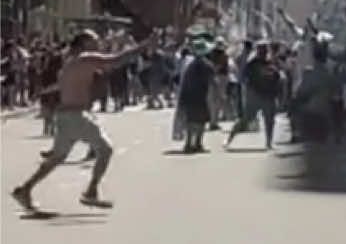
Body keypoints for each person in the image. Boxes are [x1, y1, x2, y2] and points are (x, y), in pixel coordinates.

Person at [11, 29, 147, 211]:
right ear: (85, 44)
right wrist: (143, 46)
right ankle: (91, 191)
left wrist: (44, 91)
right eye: (94, 40)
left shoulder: (70, 63)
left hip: (66, 116)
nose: (98, 42)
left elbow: (61, 85)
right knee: (105, 150)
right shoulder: (86, 58)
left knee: (57, 158)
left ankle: (25, 189)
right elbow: (114, 61)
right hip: (76, 115)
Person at [226, 42, 283, 150]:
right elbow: (244, 78)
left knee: (270, 120)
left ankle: (269, 143)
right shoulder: (252, 64)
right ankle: (229, 139)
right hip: (256, 95)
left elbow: (278, 78)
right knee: (246, 119)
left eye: (265, 49)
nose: (263, 52)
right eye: (261, 50)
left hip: (269, 95)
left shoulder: (272, 62)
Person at [177, 41, 215, 153]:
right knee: (201, 121)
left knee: (190, 120)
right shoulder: (207, 65)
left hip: (189, 95)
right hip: (201, 95)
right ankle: (197, 143)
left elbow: (183, 81)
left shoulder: (189, 64)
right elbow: (212, 81)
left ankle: (189, 143)